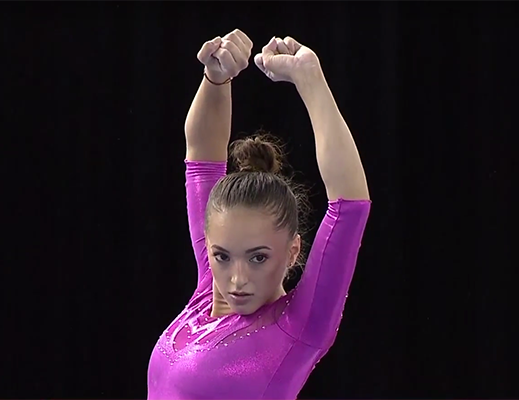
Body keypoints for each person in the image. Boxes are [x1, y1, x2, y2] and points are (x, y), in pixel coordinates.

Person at [147, 29, 371, 400]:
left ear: (293, 251)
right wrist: (216, 79)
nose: (236, 279)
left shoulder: (301, 325)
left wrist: (310, 80)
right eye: (221, 256)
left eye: (258, 258)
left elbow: (349, 206)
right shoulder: (209, 291)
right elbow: (201, 155)